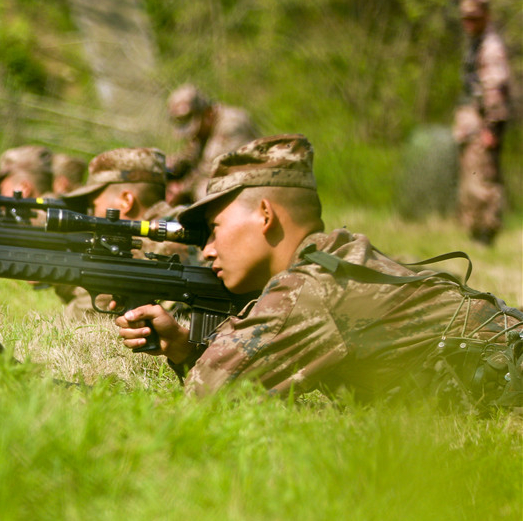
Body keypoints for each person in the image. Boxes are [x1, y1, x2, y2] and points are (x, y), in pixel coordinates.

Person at [114, 134, 522, 407]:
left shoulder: (311, 290)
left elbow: (209, 397)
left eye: (215, 229)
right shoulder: (335, 261)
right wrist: (186, 347)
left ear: (265, 215)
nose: (208, 250)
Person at [55, 148, 194, 319]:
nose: (90, 215)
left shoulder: (154, 246)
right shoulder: (181, 228)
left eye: (94, 206)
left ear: (126, 201)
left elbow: (83, 315)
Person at [453, 0, 514, 246]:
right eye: (465, 18)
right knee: (471, 181)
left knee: (483, 181)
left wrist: (492, 127)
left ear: (486, 17)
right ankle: (475, 231)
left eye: (474, 18)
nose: (469, 23)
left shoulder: (491, 48)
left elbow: (495, 89)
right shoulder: (475, 43)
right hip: (470, 123)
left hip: (484, 123)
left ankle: (485, 234)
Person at [164, 84, 258, 206]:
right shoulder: (204, 128)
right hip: (224, 179)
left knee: (204, 189)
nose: (193, 136)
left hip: (246, 183)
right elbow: (190, 154)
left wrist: (182, 189)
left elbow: (212, 168)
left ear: (208, 113)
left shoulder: (231, 124)